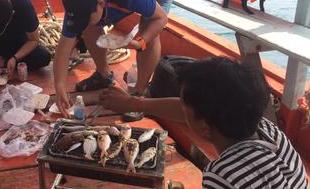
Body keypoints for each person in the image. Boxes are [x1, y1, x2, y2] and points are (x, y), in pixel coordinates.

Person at [99, 57, 309, 188]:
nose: (181, 107)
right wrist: (133, 103)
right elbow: (187, 111)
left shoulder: (223, 175)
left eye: (184, 103)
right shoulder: (268, 129)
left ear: (204, 127)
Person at [54, 0, 174, 117]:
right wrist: (59, 85)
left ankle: (138, 94)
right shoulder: (79, 5)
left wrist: (140, 42)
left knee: (149, 27)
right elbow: (63, 48)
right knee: (90, 26)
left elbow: (161, 19)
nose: (80, 22)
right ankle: (104, 76)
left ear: (101, 4)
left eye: (86, 17)